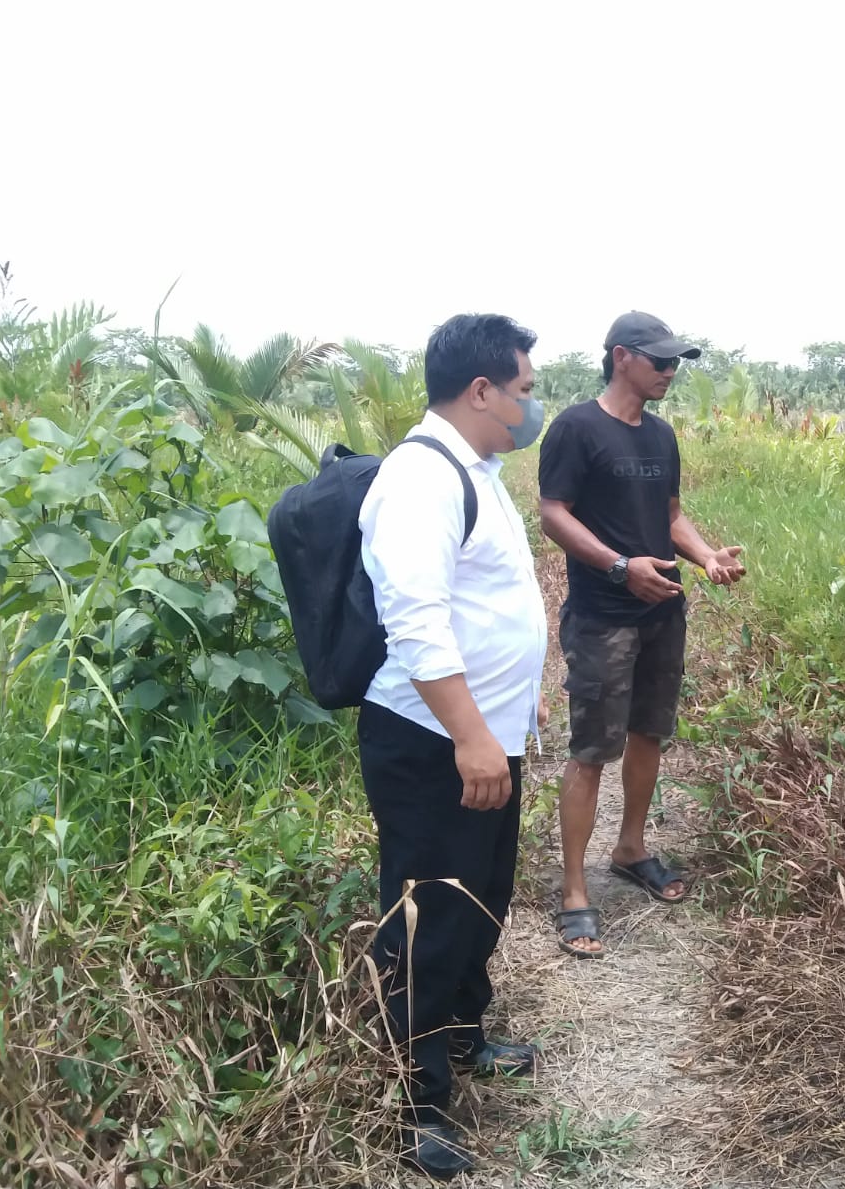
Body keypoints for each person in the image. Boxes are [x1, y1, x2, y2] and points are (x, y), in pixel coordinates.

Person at [357, 313, 550, 1178]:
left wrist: (500, 728)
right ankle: (417, 1104)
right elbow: (417, 624)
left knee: (481, 901)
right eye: (525, 388)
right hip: (433, 743)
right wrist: (472, 737)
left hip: (484, 739)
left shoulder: (479, 471)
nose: (532, 404)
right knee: (428, 919)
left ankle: (464, 1037)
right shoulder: (420, 479)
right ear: (482, 391)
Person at [538, 311, 746, 958]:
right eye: (660, 361)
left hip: (663, 612)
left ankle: (631, 848)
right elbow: (553, 514)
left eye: (675, 362)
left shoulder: (660, 435)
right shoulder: (576, 427)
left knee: (649, 732)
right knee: (591, 750)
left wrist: (705, 557)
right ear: (621, 356)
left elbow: (670, 514)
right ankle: (575, 888)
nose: (670, 372)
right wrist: (619, 567)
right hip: (602, 617)